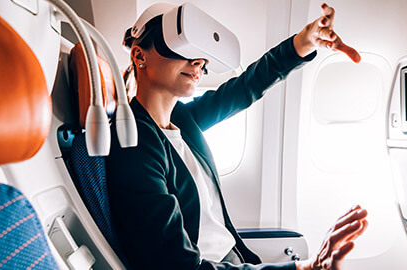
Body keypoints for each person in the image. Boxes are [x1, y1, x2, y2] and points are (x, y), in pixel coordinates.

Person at [106, 2, 368, 270]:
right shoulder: (134, 144)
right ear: (140, 56)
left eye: (201, 53)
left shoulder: (183, 119)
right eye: (183, 47)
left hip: (235, 259)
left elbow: (247, 86)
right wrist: (303, 268)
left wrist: (305, 41)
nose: (198, 61)